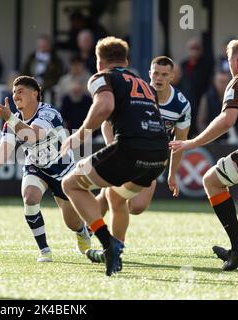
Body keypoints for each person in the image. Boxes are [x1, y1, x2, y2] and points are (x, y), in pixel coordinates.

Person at [60, 37, 169, 276]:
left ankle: (108, 243)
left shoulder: (102, 77)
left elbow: (104, 106)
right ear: (126, 61)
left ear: (99, 62)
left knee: (70, 184)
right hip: (160, 155)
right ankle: (117, 249)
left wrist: (79, 136)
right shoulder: (144, 83)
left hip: (131, 148)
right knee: (116, 197)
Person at [0, 76, 92, 262]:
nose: (15, 96)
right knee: (30, 198)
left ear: (35, 93)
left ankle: (82, 232)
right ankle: (44, 250)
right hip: (35, 166)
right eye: (14, 92)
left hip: (62, 170)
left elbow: (32, 135)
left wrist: (9, 117)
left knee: (73, 223)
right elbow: (2, 153)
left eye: (20, 91)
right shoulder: (12, 122)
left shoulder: (48, 113)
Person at [84, 56, 191, 264]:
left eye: (164, 74)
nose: (159, 78)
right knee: (117, 198)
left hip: (151, 156)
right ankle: (107, 245)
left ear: (172, 76)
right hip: (126, 151)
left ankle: (100, 225)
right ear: (149, 73)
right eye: (156, 73)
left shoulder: (181, 104)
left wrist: (172, 174)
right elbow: (107, 122)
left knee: (137, 207)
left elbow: (180, 142)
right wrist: (112, 147)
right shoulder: (137, 91)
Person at [170, 38, 238, 271]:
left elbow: (226, 120)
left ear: (237, 61)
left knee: (211, 180)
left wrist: (192, 142)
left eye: (230, 60)